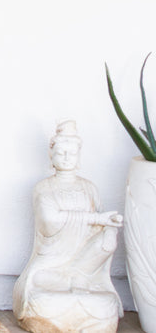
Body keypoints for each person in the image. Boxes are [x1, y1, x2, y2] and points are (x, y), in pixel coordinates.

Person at [13, 121, 123, 333]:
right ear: (51, 155)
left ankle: (78, 284)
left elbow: (99, 231)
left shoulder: (89, 188)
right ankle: (70, 294)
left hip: (83, 268)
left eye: (71, 153)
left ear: (79, 156)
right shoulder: (44, 188)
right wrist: (96, 219)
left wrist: (109, 227)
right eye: (61, 152)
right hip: (51, 267)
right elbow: (50, 220)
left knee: (106, 304)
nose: (66, 157)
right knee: (41, 300)